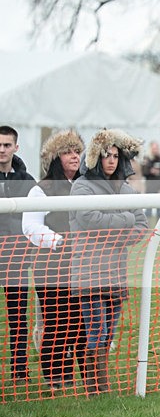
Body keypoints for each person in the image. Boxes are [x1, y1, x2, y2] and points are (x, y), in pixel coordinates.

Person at [70, 129, 149, 395]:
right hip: (89, 271)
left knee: (109, 334)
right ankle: (94, 387)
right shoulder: (81, 185)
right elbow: (89, 219)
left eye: (115, 155)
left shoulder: (127, 188)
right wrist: (123, 222)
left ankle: (101, 386)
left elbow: (142, 225)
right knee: (96, 331)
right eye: (106, 155)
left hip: (116, 271)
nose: (111, 160)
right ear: (95, 157)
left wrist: (118, 231)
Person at [22, 130, 86, 390]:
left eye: (76, 151)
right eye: (67, 152)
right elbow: (31, 227)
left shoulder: (87, 186)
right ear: (55, 157)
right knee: (56, 319)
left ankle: (84, 375)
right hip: (51, 264)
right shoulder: (41, 190)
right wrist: (59, 241)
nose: (74, 156)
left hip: (83, 264)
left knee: (79, 320)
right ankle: (55, 376)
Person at [0, 125, 37, 382]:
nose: (1, 150)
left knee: (18, 318)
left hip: (15, 258)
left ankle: (19, 370)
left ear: (16, 147)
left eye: (6, 145)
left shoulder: (27, 182)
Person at [140, 140, 160, 218]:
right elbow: (143, 173)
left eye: (156, 148)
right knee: (148, 211)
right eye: (153, 148)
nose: (155, 150)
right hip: (149, 188)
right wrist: (150, 171)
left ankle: (159, 229)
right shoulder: (147, 159)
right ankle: (147, 228)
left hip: (159, 188)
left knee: (159, 211)